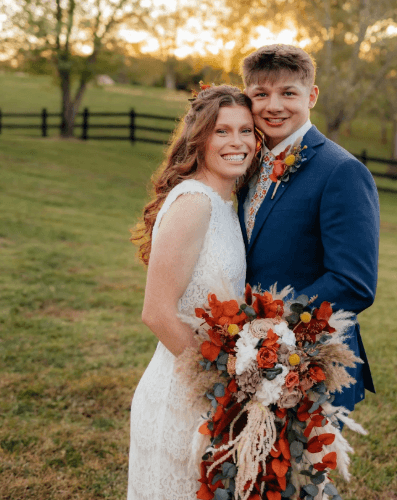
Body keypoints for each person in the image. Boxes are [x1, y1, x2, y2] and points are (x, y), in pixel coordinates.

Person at [127, 85, 258, 500]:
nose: (237, 143)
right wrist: (222, 387)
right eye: (222, 131)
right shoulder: (193, 203)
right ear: (198, 138)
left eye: (246, 130)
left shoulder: (227, 203)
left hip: (206, 397)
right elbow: (157, 313)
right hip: (182, 397)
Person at [238, 44, 380, 415]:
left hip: (310, 361)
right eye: (261, 94)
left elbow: (354, 282)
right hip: (249, 356)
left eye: (288, 93)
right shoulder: (246, 162)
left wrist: (273, 327)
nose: (274, 105)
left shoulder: (341, 171)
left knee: (301, 473)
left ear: (311, 96)